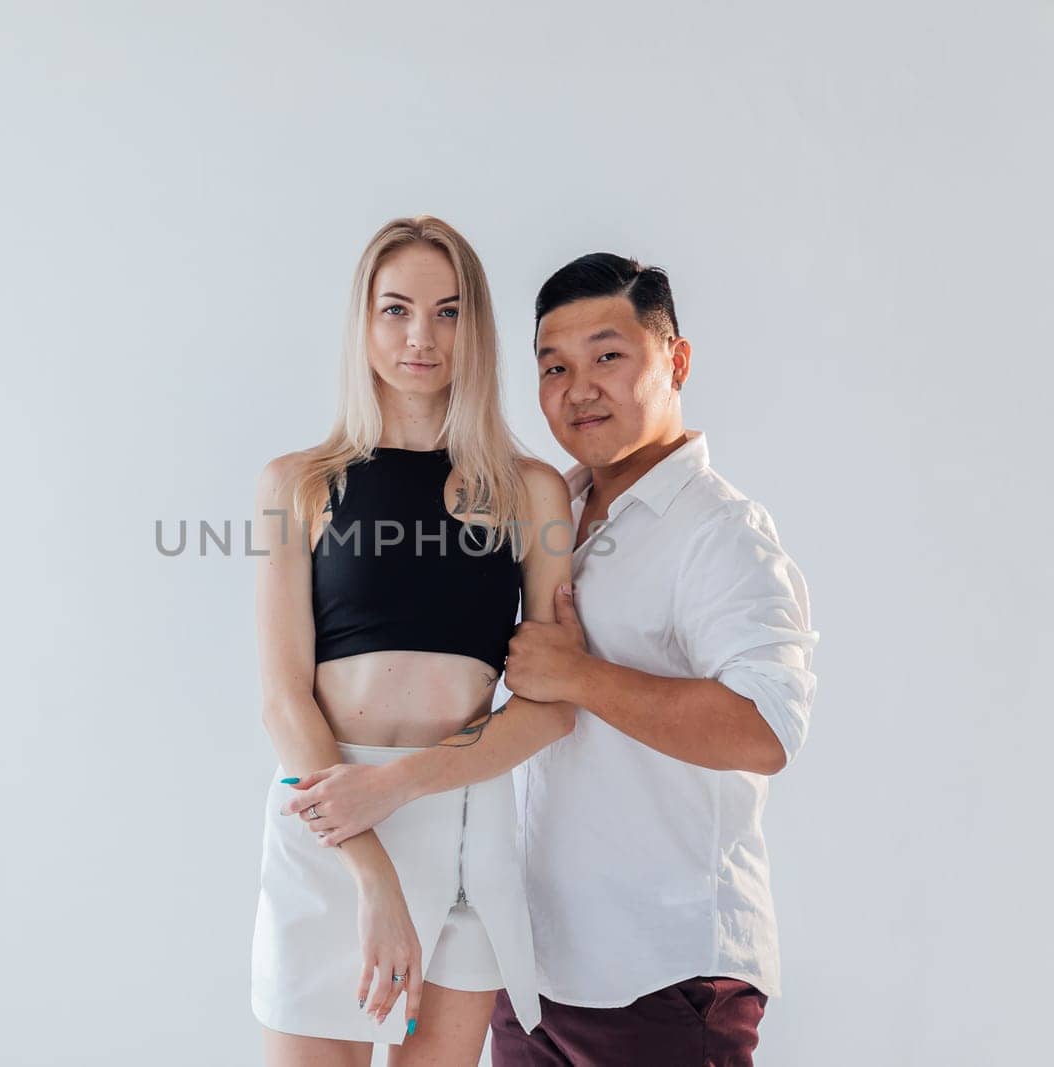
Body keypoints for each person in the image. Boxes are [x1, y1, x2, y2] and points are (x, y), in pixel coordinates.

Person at [284, 252, 819, 1066]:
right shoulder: (548, 506)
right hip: (532, 964)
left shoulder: (720, 532)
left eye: (609, 356)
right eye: (554, 366)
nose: (579, 388)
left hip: (663, 975)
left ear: (674, 360)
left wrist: (579, 677)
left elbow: (767, 729)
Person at [249, 215, 577, 1066]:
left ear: (478, 329)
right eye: (396, 310)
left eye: (449, 312)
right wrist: (370, 866)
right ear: (363, 323)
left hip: (464, 820)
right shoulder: (301, 483)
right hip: (328, 822)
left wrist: (399, 784)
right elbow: (284, 698)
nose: (421, 336)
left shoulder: (530, 490)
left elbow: (552, 710)